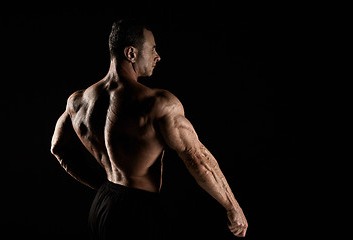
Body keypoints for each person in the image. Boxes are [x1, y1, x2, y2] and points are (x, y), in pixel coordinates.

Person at [51, 19, 248, 239]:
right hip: (137, 214)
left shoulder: (78, 101)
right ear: (131, 53)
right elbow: (197, 158)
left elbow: (58, 148)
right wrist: (233, 207)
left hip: (102, 206)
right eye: (153, 49)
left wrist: (104, 188)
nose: (158, 56)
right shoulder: (157, 104)